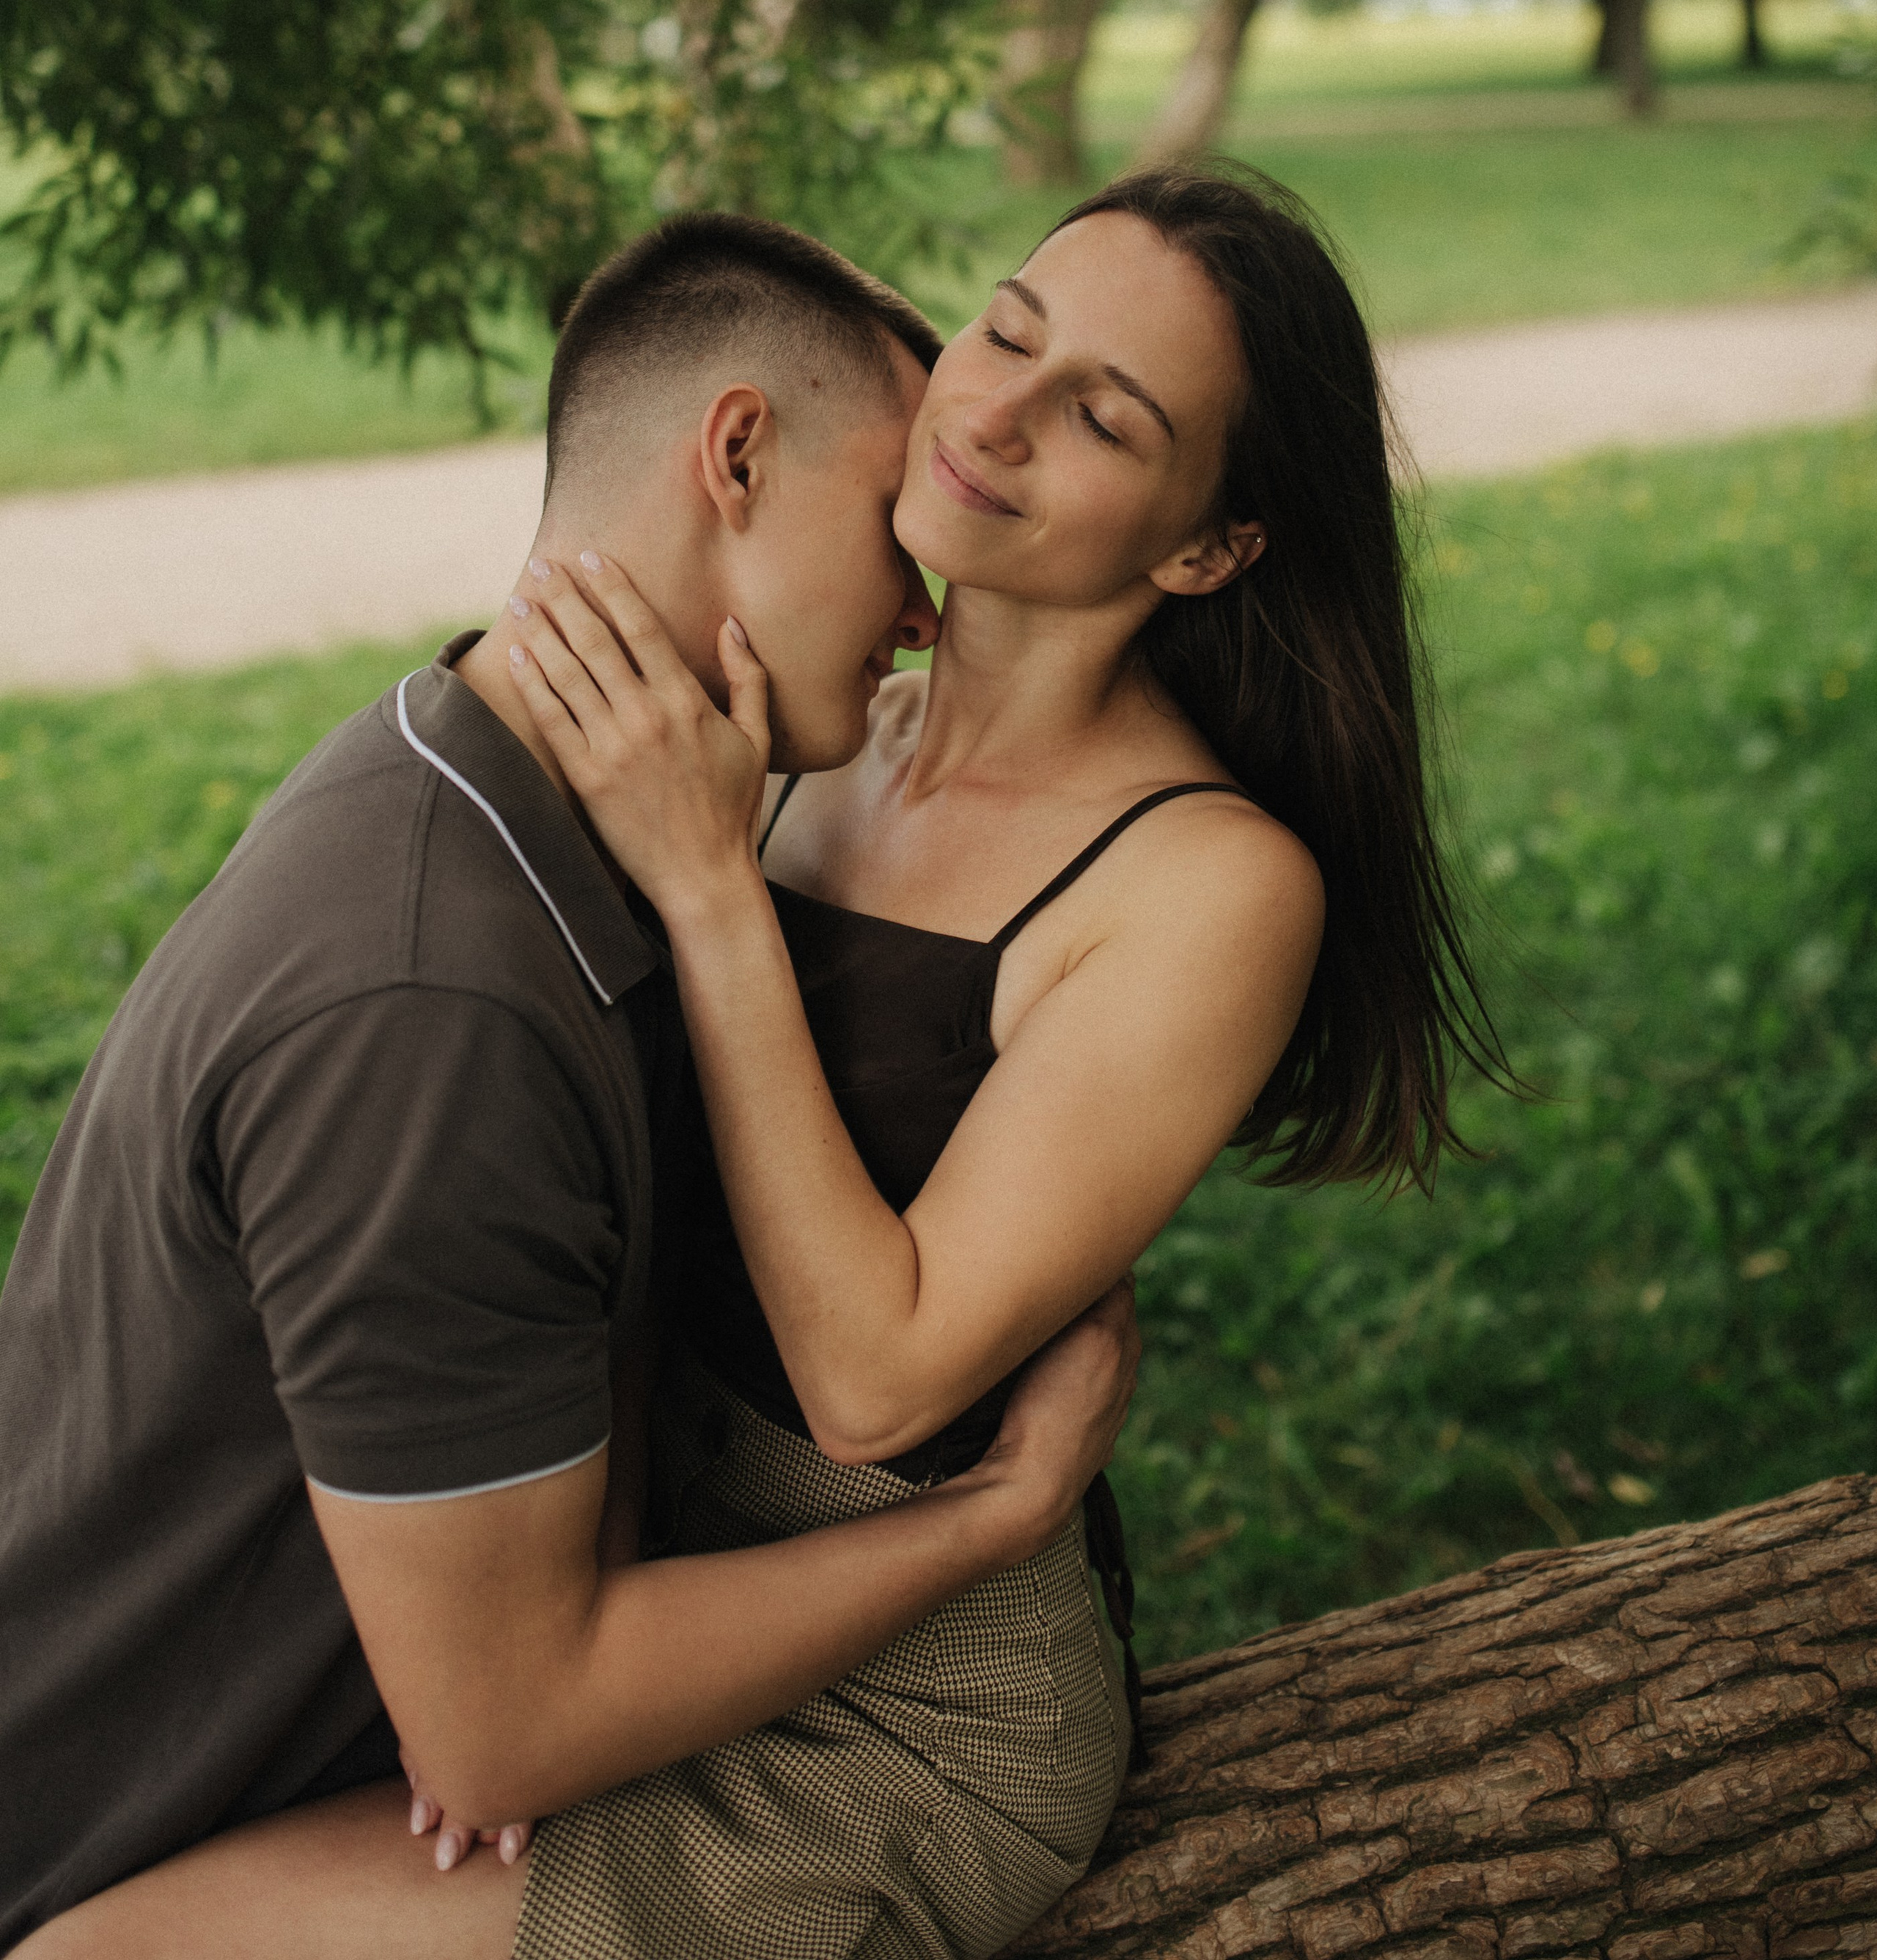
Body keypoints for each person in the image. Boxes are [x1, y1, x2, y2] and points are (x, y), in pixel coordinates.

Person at [0, 213, 1139, 1959]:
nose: (932, 595)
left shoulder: (483, 772)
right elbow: (505, 1735)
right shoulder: (432, 998)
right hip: (103, 1857)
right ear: (737, 453)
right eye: (886, 512)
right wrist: (994, 1517)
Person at [475, 164, 1505, 1959]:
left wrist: (713, 894)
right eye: (1004, 331)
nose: (994, 416)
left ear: (1204, 546)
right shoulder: (799, 722)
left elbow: (874, 1379)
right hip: (635, 1586)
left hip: (911, 1699)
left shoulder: (1206, 884)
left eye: (1100, 414)